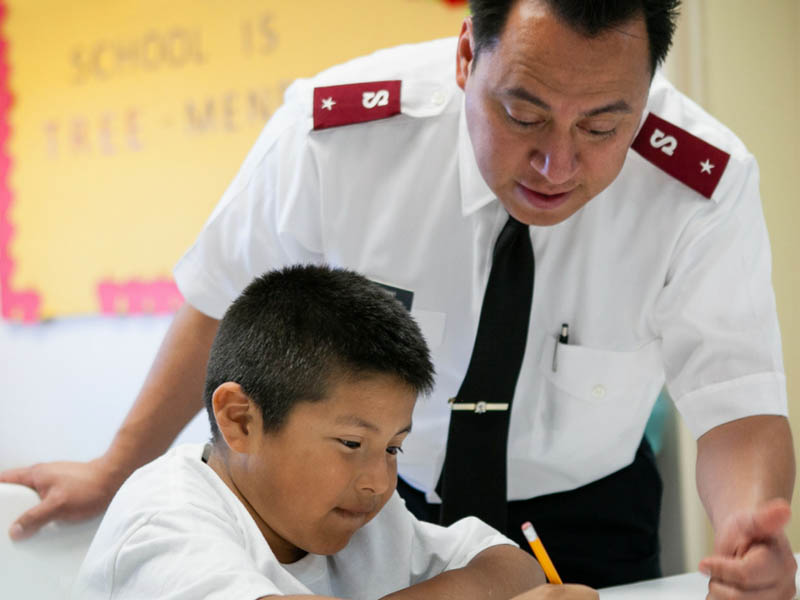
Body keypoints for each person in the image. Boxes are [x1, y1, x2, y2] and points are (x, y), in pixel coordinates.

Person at [3, 0, 795, 595]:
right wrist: (114, 468)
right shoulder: (337, 135)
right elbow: (220, 297)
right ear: (464, 58)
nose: (556, 162)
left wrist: (744, 534)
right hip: (379, 498)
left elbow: (736, 399)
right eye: (523, 113)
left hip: (586, 503)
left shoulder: (701, 184)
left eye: (601, 128)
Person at [71, 264, 596, 599]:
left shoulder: (360, 513)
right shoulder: (165, 522)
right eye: (352, 444)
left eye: (394, 447)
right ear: (241, 420)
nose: (379, 481)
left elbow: (508, 565)